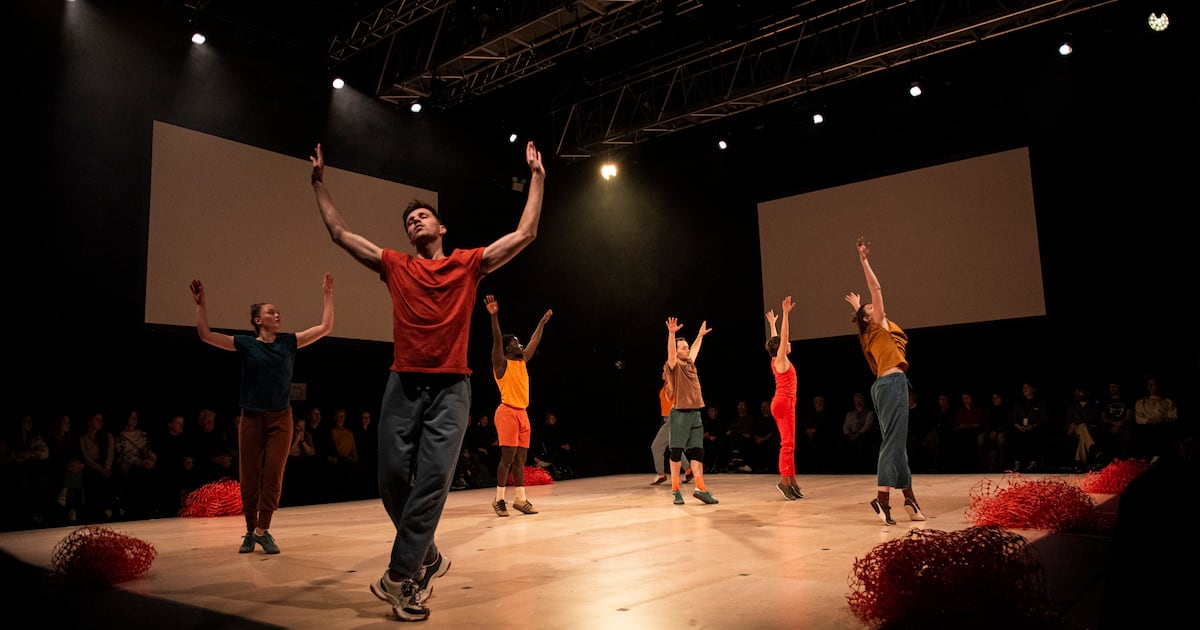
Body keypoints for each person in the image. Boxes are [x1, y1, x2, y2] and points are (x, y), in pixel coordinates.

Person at [310, 139, 545, 621]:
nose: (415, 221)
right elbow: (339, 232)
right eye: (408, 221)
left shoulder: (468, 264)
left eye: (422, 216)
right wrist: (318, 184)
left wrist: (538, 178)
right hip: (403, 383)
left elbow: (525, 233)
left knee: (434, 479)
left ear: (441, 228)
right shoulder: (395, 265)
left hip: (452, 387)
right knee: (392, 480)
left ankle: (401, 577)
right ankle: (430, 557)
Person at [189, 272, 334, 554]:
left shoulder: (288, 342)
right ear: (258, 320)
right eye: (270, 312)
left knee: (273, 475)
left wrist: (328, 294)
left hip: (280, 418)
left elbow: (325, 327)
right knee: (249, 475)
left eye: (277, 311)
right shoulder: (247, 344)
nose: (277, 314)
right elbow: (206, 335)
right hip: (251, 418)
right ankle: (249, 531)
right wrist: (200, 304)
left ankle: (262, 530)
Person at [844, 237, 924, 525]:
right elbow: (876, 288)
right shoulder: (876, 324)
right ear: (869, 317)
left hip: (883, 386)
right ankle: (882, 499)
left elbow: (864, 312)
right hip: (892, 384)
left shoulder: (871, 330)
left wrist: (858, 307)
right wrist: (864, 260)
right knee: (893, 442)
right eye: (869, 308)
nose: (874, 306)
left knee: (897, 443)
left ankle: (910, 499)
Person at [484, 294, 552, 517]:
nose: (519, 343)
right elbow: (497, 341)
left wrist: (541, 323)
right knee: (508, 458)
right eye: (514, 342)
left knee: (521, 459)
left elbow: (534, 341)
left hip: (522, 414)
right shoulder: (501, 364)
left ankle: (520, 500)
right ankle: (499, 499)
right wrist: (494, 317)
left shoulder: (521, 361)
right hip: (507, 413)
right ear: (506, 348)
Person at [663, 317, 718, 506]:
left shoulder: (690, 364)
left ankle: (701, 489)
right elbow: (671, 354)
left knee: (698, 453)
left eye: (686, 348)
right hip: (680, 414)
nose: (687, 350)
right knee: (676, 453)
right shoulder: (674, 366)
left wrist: (700, 336)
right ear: (677, 352)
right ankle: (675, 491)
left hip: (695, 414)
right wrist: (672, 334)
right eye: (683, 348)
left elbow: (694, 349)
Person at [765, 297, 803, 500]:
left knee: (790, 443)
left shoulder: (777, 359)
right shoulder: (780, 359)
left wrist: (772, 324)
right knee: (787, 444)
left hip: (783, 402)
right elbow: (783, 337)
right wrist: (786, 315)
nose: (788, 343)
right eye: (785, 343)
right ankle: (784, 482)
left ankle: (792, 480)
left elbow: (776, 340)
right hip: (784, 403)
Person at [650, 376, 690, 485]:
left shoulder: (673, 384)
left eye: (665, 369)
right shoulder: (667, 384)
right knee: (674, 447)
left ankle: (661, 474)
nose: (662, 372)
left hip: (671, 419)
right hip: (669, 419)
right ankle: (688, 470)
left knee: (656, 446)